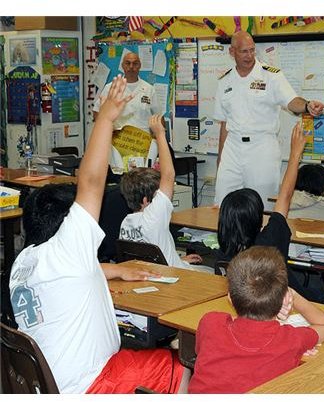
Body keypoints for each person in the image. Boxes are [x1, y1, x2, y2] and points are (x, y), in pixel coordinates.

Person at [9, 76, 190, 394]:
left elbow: (72, 273)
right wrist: (106, 117)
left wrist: (116, 269)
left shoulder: (24, 261)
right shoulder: (69, 248)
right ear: (67, 226)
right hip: (91, 383)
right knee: (185, 363)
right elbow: (91, 182)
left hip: (48, 383)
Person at [187, 245, 324, 394]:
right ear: (283, 297)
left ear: (230, 298)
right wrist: (293, 295)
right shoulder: (290, 340)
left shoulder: (210, 322)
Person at [213, 31, 324, 206]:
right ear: (232, 52)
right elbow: (224, 124)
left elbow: (292, 101)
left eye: (252, 50)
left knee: (262, 204)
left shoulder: (271, 75)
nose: (250, 56)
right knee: (222, 203)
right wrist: (220, 160)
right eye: (244, 51)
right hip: (232, 148)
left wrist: (307, 105)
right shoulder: (224, 81)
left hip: (262, 147)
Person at [118, 114, 206, 271]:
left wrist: (177, 258)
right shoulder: (154, 217)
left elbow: (150, 254)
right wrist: (159, 134)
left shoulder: (127, 222)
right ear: (146, 200)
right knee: (215, 273)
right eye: (157, 194)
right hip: (173, 278)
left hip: (155, 272)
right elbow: (168, 175)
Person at [216, 122, 305, 264]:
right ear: (257, 218)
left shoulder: (224, 251)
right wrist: (295, 154)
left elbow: (285, 196)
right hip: (278, 286)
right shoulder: (269, 240)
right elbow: (285, 196)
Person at [93, 51, 161, 172]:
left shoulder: (149, 89)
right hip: (118, 142)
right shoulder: (111, 88)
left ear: (140, 66)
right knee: (119, 175)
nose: (131, 67)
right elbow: (97, 111)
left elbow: (158, 118)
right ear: (122, 66)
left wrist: (160, 140)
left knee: (141, 178)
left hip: (142, 142)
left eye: (135, 64)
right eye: (127, 63)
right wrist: (105, 132)